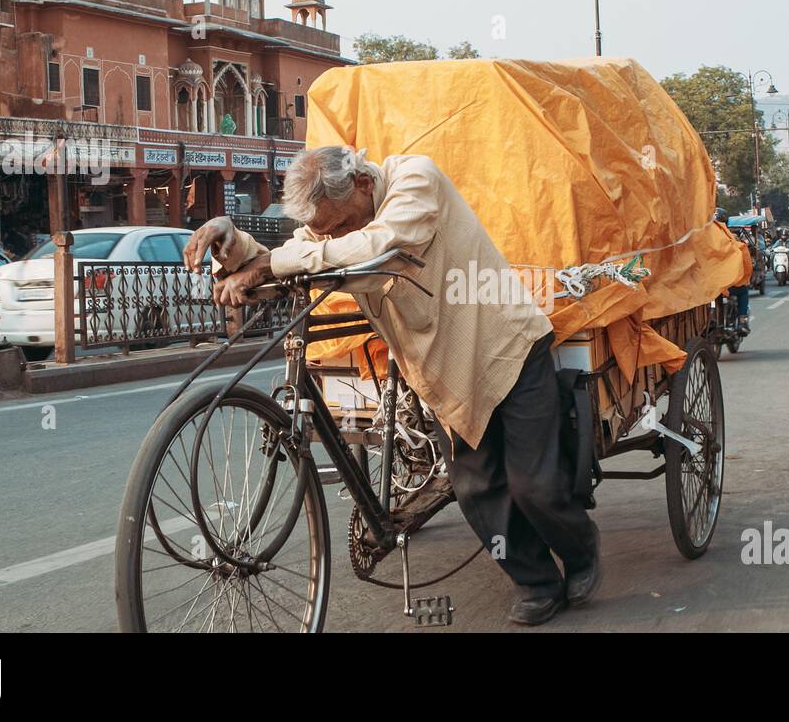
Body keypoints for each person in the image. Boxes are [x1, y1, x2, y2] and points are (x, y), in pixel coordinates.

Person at [183, 146, 600, 626]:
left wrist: (279, 263)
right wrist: (230, 241)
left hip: (507, 352)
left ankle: (583, 551)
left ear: (363, 184)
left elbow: (374, 244)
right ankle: (537, 582)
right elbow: (294, 253)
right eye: (327, 231)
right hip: (449, 376)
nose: (337, 236)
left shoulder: (415, 180)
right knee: (478, 490)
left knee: (534, 486)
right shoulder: (335, 224)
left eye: (340, 225)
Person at [716, 209, 750, 334]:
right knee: (743, 291)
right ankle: (742, 321)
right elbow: (743, 257)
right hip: (725, 284)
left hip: (707, 285)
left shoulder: (702, 237)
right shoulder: (732, 238)